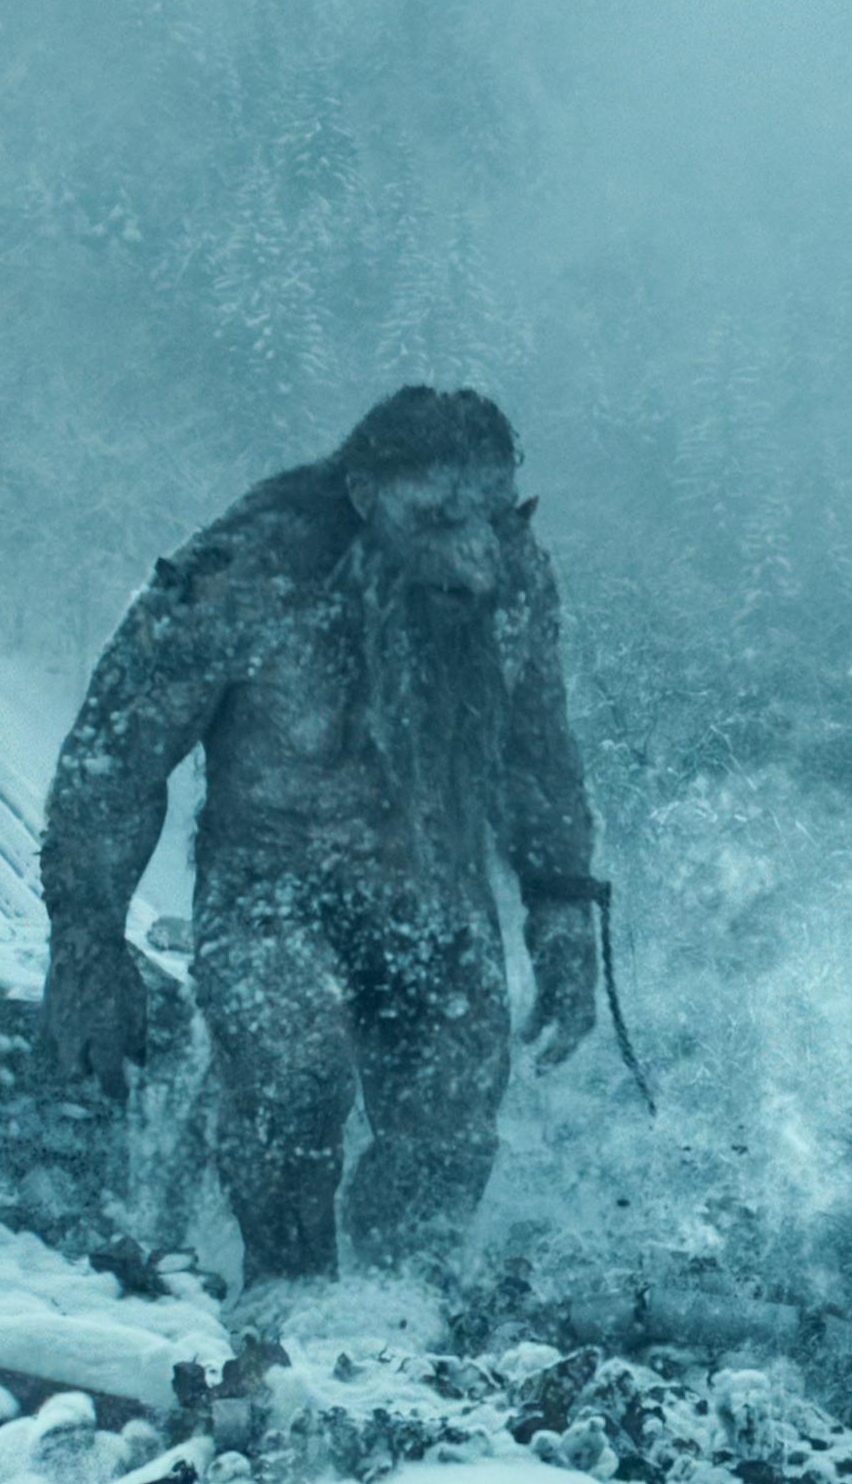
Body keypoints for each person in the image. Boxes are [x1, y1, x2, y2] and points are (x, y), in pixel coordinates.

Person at [38, 388, 599, 1282]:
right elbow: (119, 754)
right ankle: (282, 1305)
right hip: (271, 895)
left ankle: (394, 1336)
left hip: (437, 901)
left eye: (496, 516)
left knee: (450, 1129)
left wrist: (564, 908)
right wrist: (85, 941)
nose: (479, 556)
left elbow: (535, 749)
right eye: (441, 518)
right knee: (292, 1077)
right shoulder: (242, 568)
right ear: (369, 497)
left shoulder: (513, 580)